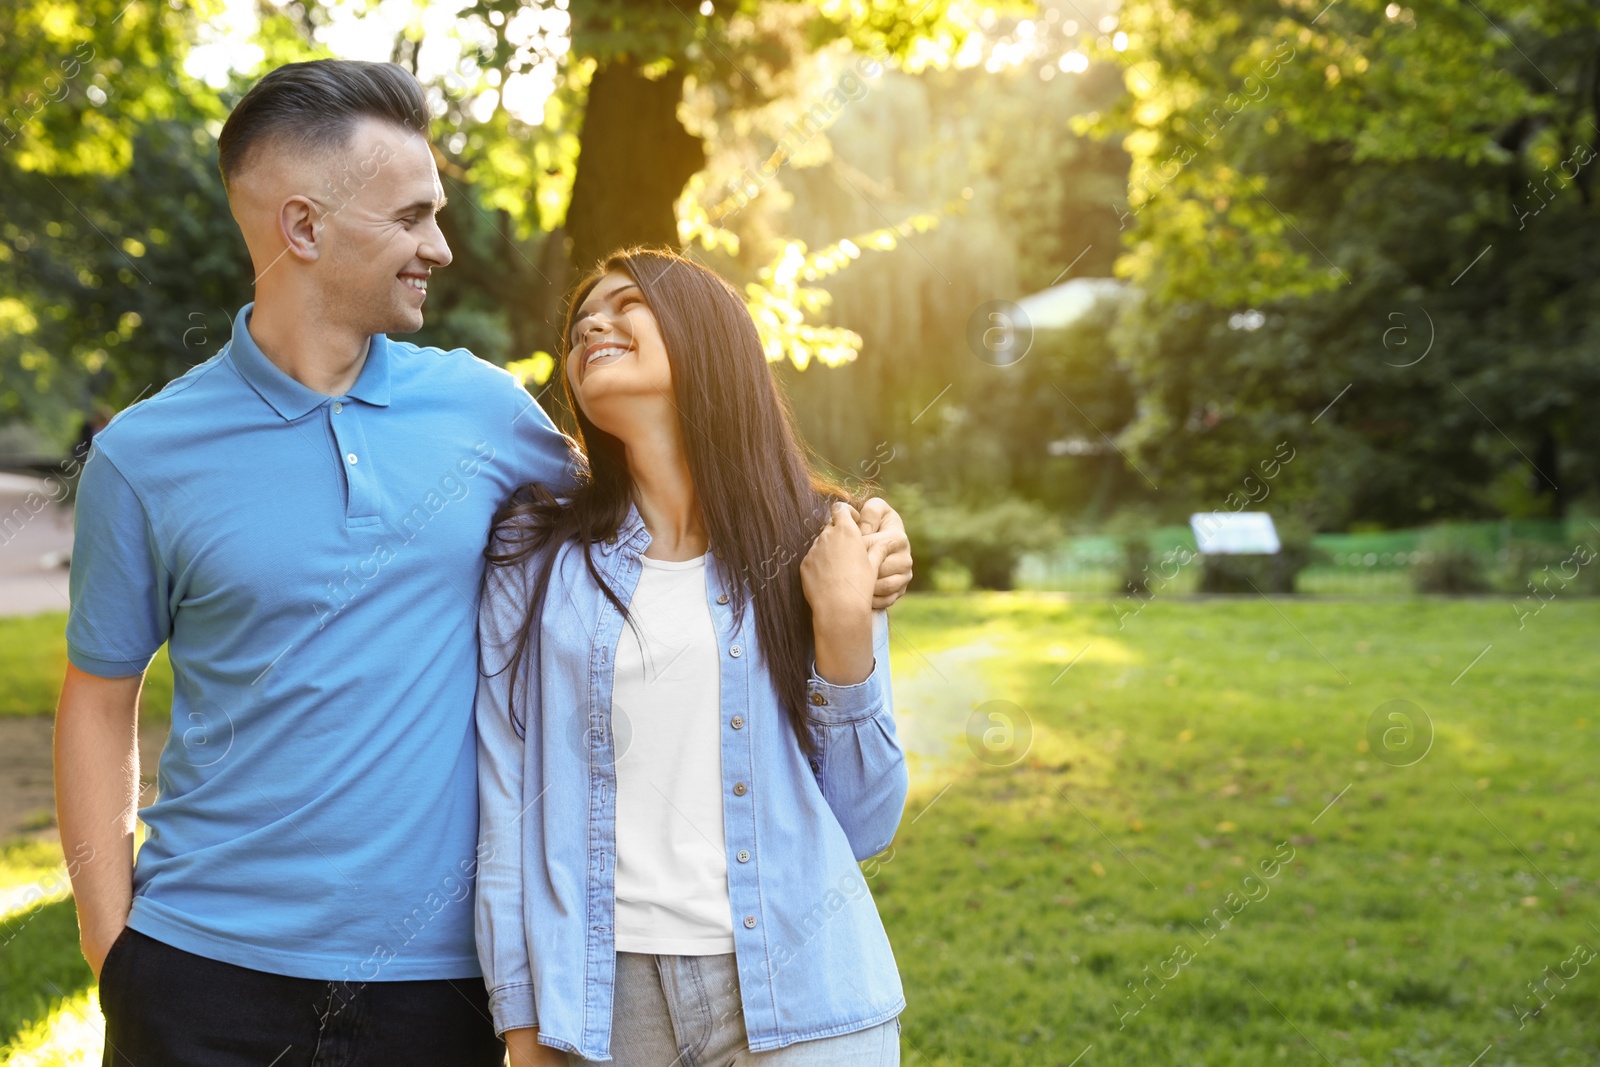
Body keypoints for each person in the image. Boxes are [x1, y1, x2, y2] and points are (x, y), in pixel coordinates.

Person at [54, 61, 913, 1066]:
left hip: (435, 987)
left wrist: (856, 536)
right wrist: (111, 941)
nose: (441, 246)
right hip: (202, 970)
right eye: (413, 217)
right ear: (303, 228)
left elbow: (663, 493)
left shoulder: (486, 411)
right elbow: (97, 696)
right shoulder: (146, 454)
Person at [476, 249, 909, 1067]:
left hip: (805, 1002)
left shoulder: (824, 540)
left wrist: (845, 625)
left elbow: (863, 823)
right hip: (605, 1010)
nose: (593, 323)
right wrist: (522, 1020)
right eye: (581, 320)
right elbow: (505, 798)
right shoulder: (533, 556)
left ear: (708, 340)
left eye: (628, 302)